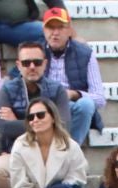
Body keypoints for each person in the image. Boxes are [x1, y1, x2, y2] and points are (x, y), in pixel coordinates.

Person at [39, 7, 102, 144]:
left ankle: (72, 149)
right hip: (43, 107)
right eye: (50, 27)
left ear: (69, 30)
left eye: (60, 27)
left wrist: (74, 94)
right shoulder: (35, 52)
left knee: (86, 104)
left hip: (71, 107)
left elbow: (99, 98)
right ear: (44, 30)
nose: (55, 33)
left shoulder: (85, 54)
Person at [0, 37, 67, 152]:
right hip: (15, 152)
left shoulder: (57, 90)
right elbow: (4, 127)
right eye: (26, 63)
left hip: (50, 151)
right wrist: (47, 124)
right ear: (18, 65)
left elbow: (64, 125)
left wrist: (17, 121)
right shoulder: (7, 90)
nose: (32, 67)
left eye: (37, 62)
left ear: (45, 64)